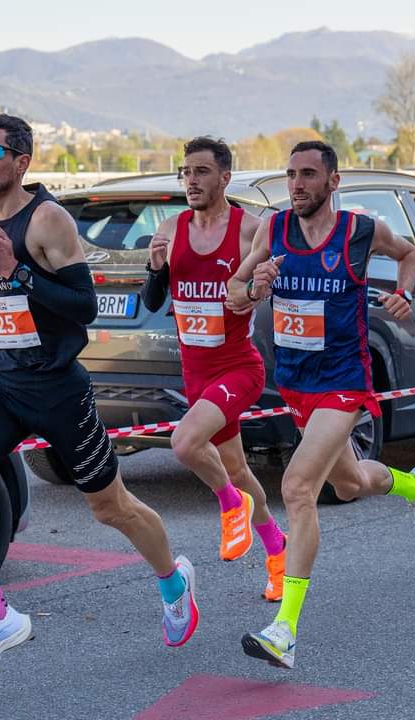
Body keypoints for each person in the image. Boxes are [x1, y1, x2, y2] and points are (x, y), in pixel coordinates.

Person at [0, 110, 198, 675]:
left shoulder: (48, 220)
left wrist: (16, 273)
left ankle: (174, 580)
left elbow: (83, 306)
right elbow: (16, 301)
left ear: (21, 162)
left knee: (111, 507)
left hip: (58, 392)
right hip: (6, 383)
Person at [226, 141, 415, 669]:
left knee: (298, 487)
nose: (296, 185)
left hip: (344, 381)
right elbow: (233, 291)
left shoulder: (360, 232)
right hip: (296, 382)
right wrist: (254, 289)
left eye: (307, 174)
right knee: (350, 482)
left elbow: (409, 254)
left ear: (333, 181)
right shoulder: (273, 230)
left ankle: (285, 630)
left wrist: (405, 293)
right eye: (290, 174)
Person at [140, 136, 287, 602]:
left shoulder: (250, 230)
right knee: (238, 469)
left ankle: (230, 504)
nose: (191, 180)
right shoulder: (171, 227)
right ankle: (278, 551)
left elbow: (270, 283)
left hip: (238, 367)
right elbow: (153, 300)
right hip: (196, 373)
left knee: (185, 443)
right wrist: (156, 269)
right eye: (186, 172)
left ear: (225, 177)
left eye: (201, 171)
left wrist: (258, 287)